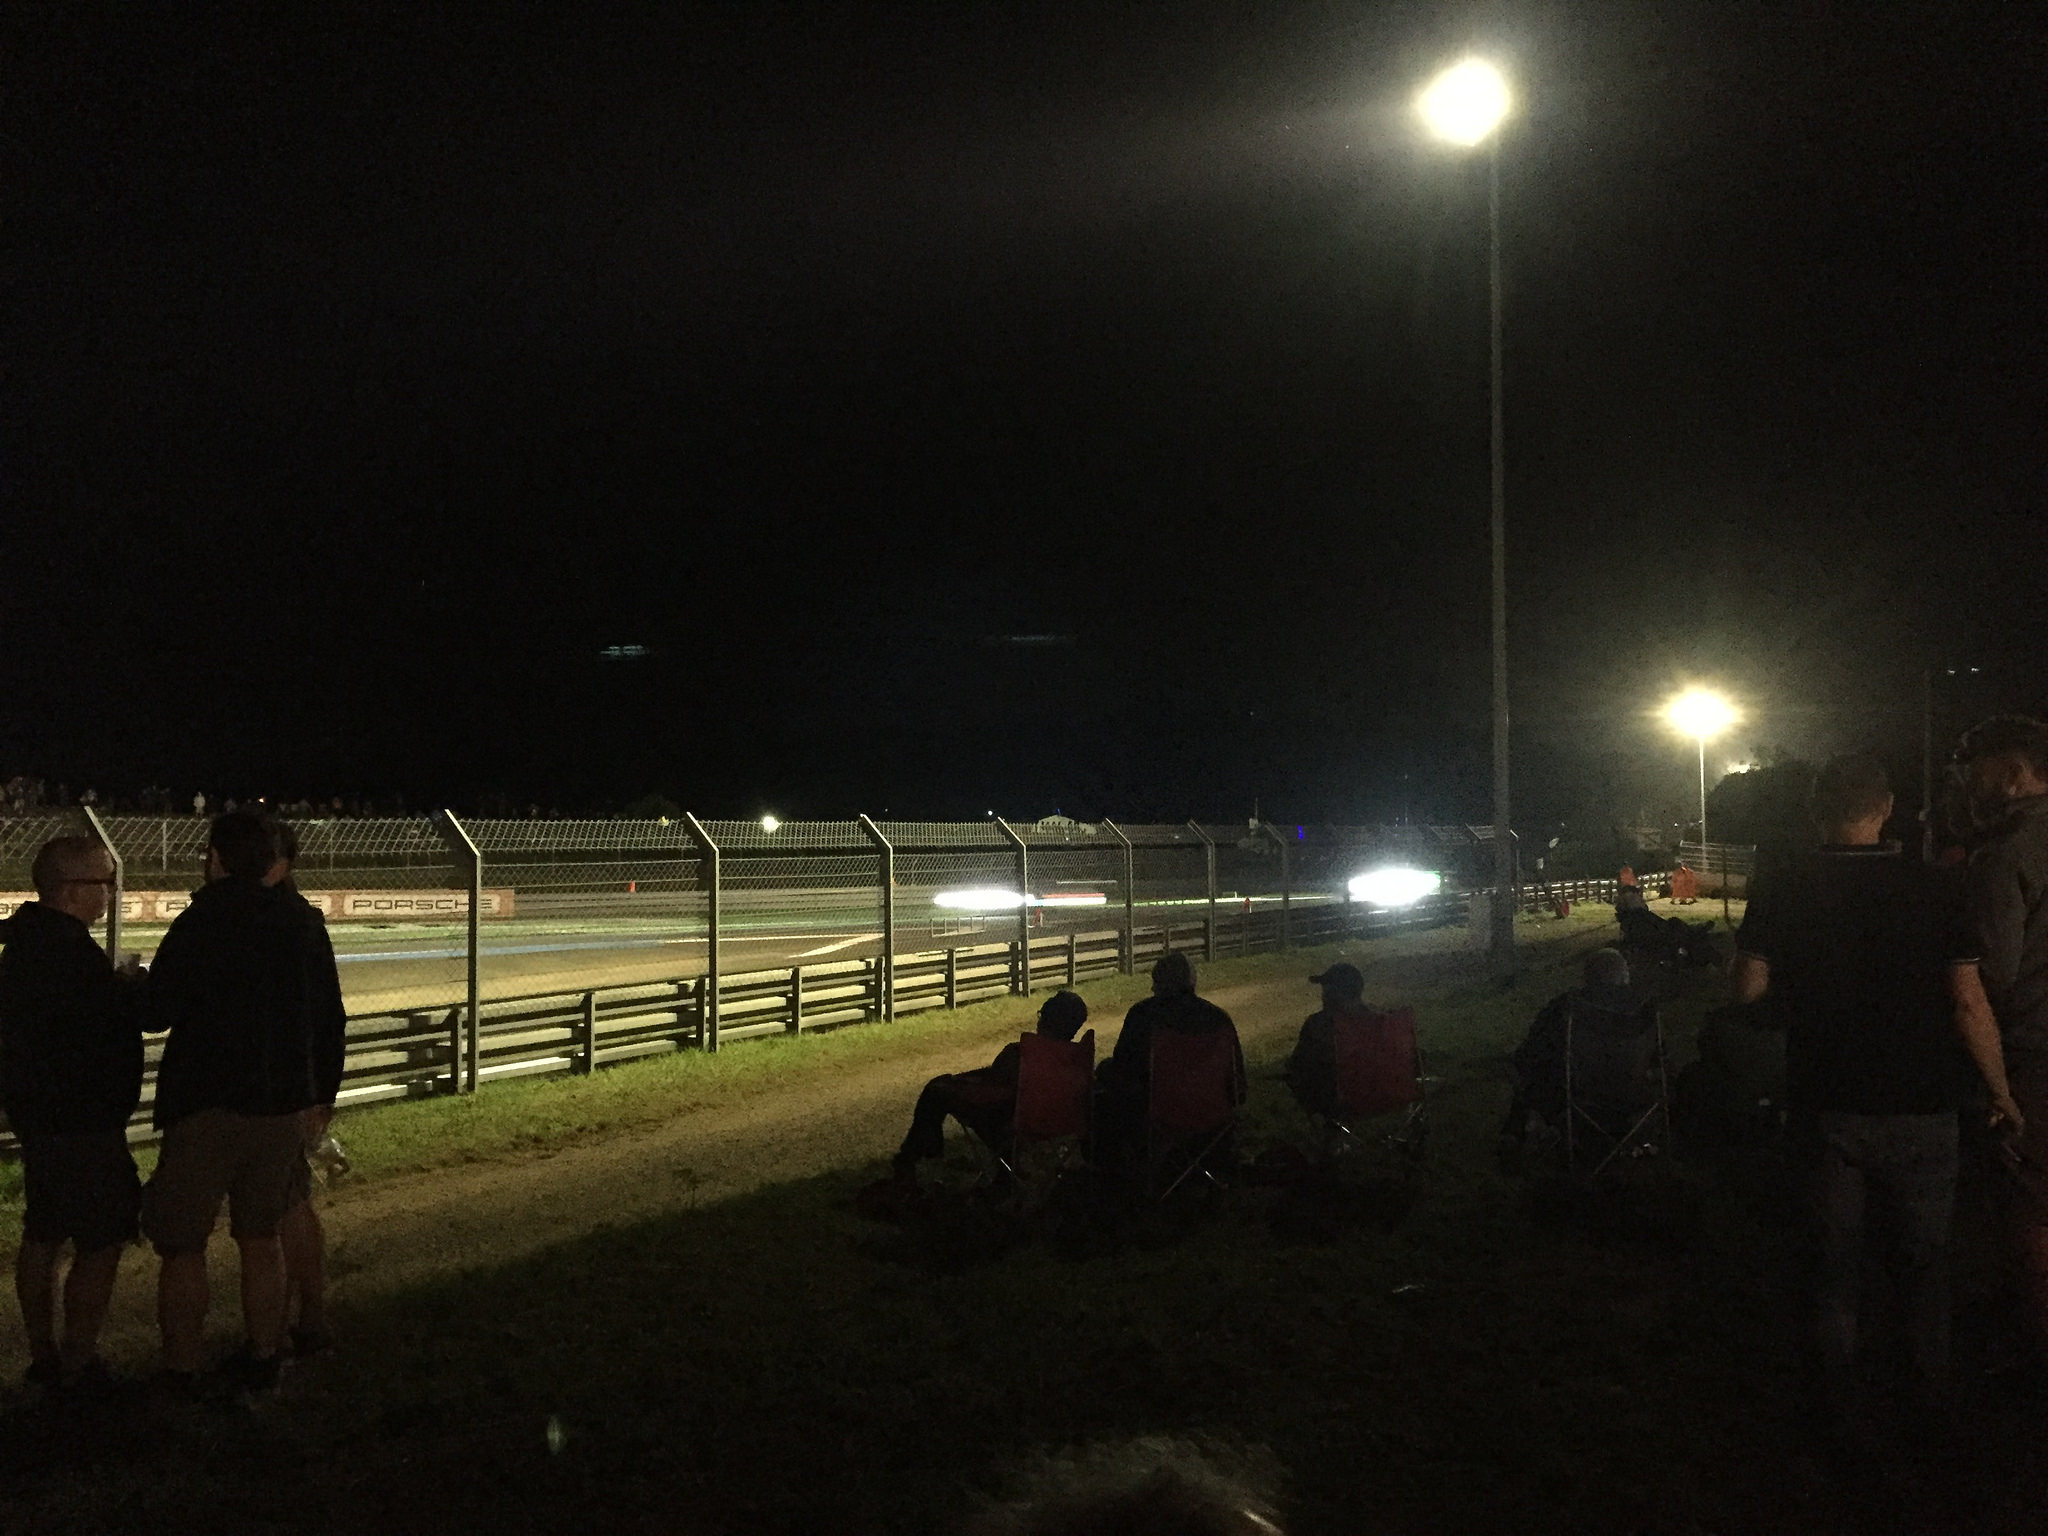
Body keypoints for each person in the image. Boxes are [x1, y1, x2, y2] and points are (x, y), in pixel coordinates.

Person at [1731, 753, 1976, 1436]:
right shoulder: (1935, 885)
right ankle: (1927, 1396)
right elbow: (1967, 1002)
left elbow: (1747, 988)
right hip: (1924, 1100)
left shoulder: (1786, 885)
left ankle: (1837, 1407)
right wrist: (2001, 1091)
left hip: (1827, 1097)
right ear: (1887, 808)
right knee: (1922, 1263)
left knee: (1833, 1263)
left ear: (1817, 811)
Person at [143, 811, 348, 1393]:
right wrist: (321, 1093)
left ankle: (182, 1367)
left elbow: (156, 1011)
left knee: (183, 1246)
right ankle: (265, 1355)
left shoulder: (201, 919)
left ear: (216, 858)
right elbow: (329, 1016)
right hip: (280, 1108)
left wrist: (132, 986)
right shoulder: (302, 922)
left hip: (204, 1105)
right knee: (261, 1238)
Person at [0, 836, 145, 1390]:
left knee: (43, 1232)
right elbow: (90, 1033)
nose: (110, 892)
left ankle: (44, 1357)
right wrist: (126, 992)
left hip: (41, 1117)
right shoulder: (67, 953)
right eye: (104, 882)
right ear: (69, 889)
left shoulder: (28, 944)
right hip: (83, 1122)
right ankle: (78, 1363)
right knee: (101, 1240)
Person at [1947, 716, 2048, 1382]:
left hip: (2034, 1054)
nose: (1966, 783)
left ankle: (2035, 1351)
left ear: (2012, 774)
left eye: (1975, 770)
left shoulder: (2007, 854)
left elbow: (1990, 978)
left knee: (2030, 1203)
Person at [269, 819, 344, 1356]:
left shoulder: (294, 922)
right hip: (289, 1090)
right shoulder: (301, 920)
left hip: (273, 1094)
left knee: (278, 1213)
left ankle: (280, 1333)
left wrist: (322, 1095)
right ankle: (300, 1322)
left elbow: (326, 1016)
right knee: (286, 1207)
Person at [891, 989, 1089, 1183]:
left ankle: (916, 1159)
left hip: (1012, 1123)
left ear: (1044, 1019)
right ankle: (1000, 1172)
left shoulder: (1021, 1054)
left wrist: (961, 1084)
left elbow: (992, 1091)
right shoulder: (1076, 1060)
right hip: (1054, 1125)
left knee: (936, 1091)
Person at [1095, 953, 1244, 1172]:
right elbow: (1238, 1084)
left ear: (1158, 983)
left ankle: (1115, 1170)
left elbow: (1124, 1067)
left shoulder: (1143, 1015)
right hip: (1212, 1119)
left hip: (1160, 1116)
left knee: (1103, 1089)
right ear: (1192, 982)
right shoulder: (1219, 1019)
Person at [1498, 947, 1637, 1149]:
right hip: (1631, 1092)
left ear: (1587, 977)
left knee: (1537, 1072)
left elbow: (1531, 1050)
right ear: (1624, 976)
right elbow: (1658, 1054)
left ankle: (1518, 1131)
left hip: (1578, 1091)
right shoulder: (1639, 1009)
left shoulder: (1567, 1006)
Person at [1282, 961, 1371, 1117]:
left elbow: (1300, 1063)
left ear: (1332, 993)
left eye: (1326, 990)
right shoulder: (1377, 1021)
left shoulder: (1319, 1024)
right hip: (1379, 1091)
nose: (1323, 995)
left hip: (1338, 1098)